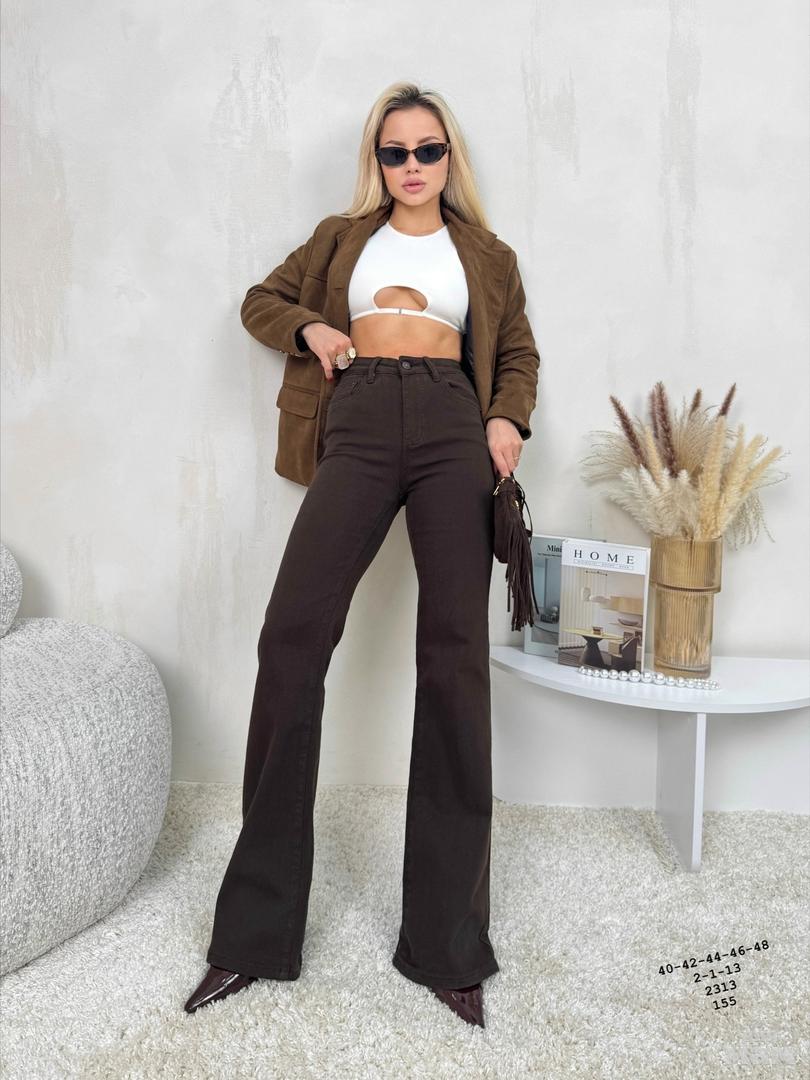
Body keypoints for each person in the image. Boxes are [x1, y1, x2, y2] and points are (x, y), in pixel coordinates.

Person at [184, 81, 540, 1029]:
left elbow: (518, 355)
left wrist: (506, 418)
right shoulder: (340, 238)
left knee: (454, 660)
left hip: (453, 425)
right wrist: (311, 326)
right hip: (362, 415)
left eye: (428, 150)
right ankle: (252, 935)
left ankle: (446, 944)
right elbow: (261, 300)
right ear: (376, 161)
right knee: (292, 637)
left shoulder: (487, 255)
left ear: (449, 158)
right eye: (395, 151)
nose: (412, 166)